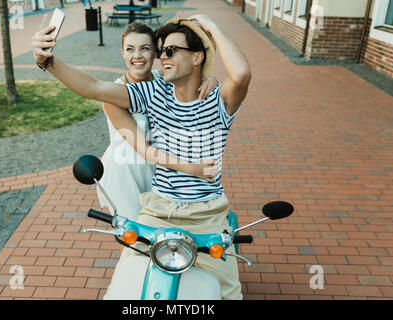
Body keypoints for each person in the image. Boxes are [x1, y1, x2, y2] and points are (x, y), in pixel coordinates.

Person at [32, 14, 251, 299]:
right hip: (158, 209)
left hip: (207, 213)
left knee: (229, 294)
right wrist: (47, 61)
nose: (162, 58)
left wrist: (210, 26)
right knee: (126, 288)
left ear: (197, 57)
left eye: (170, 51)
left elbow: (243, 74)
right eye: (161, 52)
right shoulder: (153, 91)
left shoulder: (217, 99)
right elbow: (93, 88)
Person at [98, 22, 219, 220]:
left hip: (160, 169)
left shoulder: (163, 79)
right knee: (134, 235)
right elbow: (143, 149)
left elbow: (190, 72)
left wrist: (210, 79)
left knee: (162, 234)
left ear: (156, 53)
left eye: (145, 48)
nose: (137, 56)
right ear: (122, 53)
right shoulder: (115, 95)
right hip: (126, 171)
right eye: (130, 49)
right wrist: (192, 169)